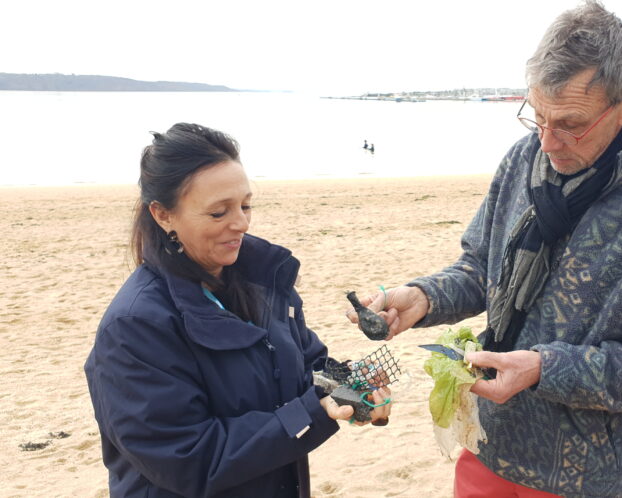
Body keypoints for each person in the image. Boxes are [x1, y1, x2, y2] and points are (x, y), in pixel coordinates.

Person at [348, 0, 622, 497]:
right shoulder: (525, 159)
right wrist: (424, 298)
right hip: (486, 444)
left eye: (570, 123)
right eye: (537, 116)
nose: (547, 142)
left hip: (588, 475)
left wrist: (546, 369)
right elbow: (482, 268)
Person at [84, 123, 391, 497]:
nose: (241, 223)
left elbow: (308, 365)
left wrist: (350, 386)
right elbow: (190, 459)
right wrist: (315, 413)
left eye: (245, 205)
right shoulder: (135, 326)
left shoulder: (266, 284)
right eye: (218, 213)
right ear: (163, 214)